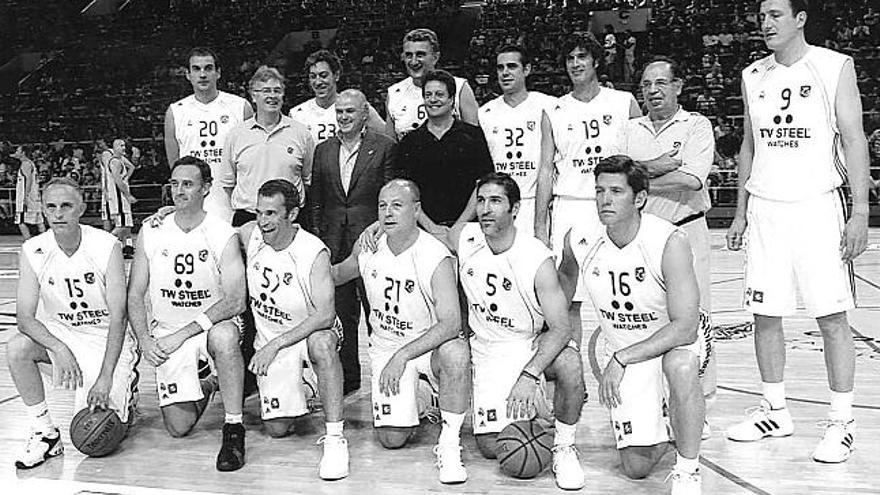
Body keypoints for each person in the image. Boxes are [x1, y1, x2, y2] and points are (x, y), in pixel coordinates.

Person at [725, 0, 870, 463]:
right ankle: (775, 409)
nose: (765, 23)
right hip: (767, 209)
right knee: (765, 314)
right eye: (762, 16)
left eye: (775, 15)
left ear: (800, 18)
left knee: (830, 316)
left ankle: (842, 420)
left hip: (816, 207)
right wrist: (741, 210)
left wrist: (861, 211)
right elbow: (750, 144)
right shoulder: (753, 75)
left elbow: (854, 139)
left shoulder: (834, 66)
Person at [558, 156, 704, 494]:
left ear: (639, 198)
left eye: (615, 191)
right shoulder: (579, 238)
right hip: (623, 347)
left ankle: (687, 469)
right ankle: (668, 419)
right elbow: (562, 291)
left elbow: (685, 327)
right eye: (599, 191)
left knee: (681, 366)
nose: (604, 200)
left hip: (673, 342)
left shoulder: (669, 240)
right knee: (636, 468)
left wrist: (623, 359)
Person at [440, 172, 586, 490]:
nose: (486, 209)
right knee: (494, 448)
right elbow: (428, 232)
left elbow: (562, 329)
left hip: (525, 346)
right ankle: (456, 441)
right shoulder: (466, 238)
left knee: (571, 362)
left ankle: (564, 445)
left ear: (515, 209)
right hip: (484, 347)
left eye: (495, 201)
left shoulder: (536, 257)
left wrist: (530, 374)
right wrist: (375, 227)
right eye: (481, 201)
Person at [332, 179, 471, 484]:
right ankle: (423, 397)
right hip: (387, 346)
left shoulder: (434, 255)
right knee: (391, 439)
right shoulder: (368, 247)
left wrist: (404, 355)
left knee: (456, 351)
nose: (388, 213)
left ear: (416, 210)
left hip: (428, 347)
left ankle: (449, 443)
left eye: (397, 205)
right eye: (382, 206)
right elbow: (338, 273)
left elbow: (451, 324)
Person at [128, 156, 248, 471]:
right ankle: (210, 383)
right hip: (167, 331)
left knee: (225, 336)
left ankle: (233, 427)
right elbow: (134, 293)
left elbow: (236, 302)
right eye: (175, 183)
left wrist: (183, 334)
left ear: (206, 189)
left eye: (189, 184)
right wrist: (144, 339)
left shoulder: (221, 233)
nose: (179, 191)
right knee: (178, 427)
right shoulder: (151, 230)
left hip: (209, 328)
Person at [9, 178, 138, 469]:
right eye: (51, 207)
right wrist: (59, 348)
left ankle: (127, 390)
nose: (58, 214)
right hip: (63, 335)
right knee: (18, 347)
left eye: (66, 206)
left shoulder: (107, 246)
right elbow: (24, 318)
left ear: (81, 208)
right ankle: (45, 432)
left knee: (101, 434)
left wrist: (105, 377)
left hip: (104, 337)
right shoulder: (33, 250)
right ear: (42, 210)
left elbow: (119, 316)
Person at [613, 56, 717, 403]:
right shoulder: (630, 129)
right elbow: (615, 178)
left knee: (695, 319)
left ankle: (698, 399)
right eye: (646, 85)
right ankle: (654, 401)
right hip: (645, 238)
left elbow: (691, 179)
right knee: (651, 319)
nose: (653, 91)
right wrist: (661, 165)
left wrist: (639, 178)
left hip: (687, 230)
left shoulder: (696, 125)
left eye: (660, 83)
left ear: (678, 86)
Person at [239, 179, 349, 480]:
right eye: (259, 213)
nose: (263, 221)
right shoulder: (250, 235)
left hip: (310, 332)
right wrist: (172, 212)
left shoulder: (313, 252)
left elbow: (326, 314)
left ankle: (335, 437)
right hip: (271, 338)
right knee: (276, 430)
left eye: (272, 214)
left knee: (322, 344)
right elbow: (208, 230)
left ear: (292, 214)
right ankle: (308, 386)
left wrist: (275, 345)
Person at [310, 89, 396, 395]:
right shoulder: (323, 150)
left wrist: (380, 229)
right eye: (340, 112)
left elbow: (390, 196)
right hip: (334, 241)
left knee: (378, 310)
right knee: (342, 312)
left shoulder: (384, 146)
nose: (344, 117)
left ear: (364, 114)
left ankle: (384, 379)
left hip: (373, 238)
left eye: (350, 111)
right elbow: (317, 199)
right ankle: (347, 379)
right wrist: (321, 239)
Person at [538, 33, 641, 255]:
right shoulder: (554, 111)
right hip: (571, 205)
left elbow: (640, 160)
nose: (575, 64)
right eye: (570, 58)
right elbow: (546, 170)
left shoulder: (624, 102)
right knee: (569, 285)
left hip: (617, 202)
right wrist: (540, 225)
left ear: (595, 61)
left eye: (582, 57)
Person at [164, 47, 254, 224]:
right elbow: (175, 166)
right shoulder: (176, 112)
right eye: (196, 69)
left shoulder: (240, 107)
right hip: (194, 206)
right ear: (188, 75)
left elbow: (251, 161)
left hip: (233, 207)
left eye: (208, 68)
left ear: (218, 73)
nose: (202, 74)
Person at [395, 70, 494, 227]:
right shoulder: (410, 142)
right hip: (424, 231)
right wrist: (432, 229)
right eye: (428, 95)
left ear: (452, 99)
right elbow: (405, 192)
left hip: (468, 227)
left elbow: (484, 184)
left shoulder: (472, 136)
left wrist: (459, 226)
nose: (433, 100)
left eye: (439, 94)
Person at [220, 66, 314, 228]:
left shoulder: (301, 133)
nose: (272, 96)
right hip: (248, 218)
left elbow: (307, 180)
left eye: (277, 91)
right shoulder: (236, 135)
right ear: (253, 95)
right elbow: (229, 184)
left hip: (289, 219)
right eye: (266, 91)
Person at [478, 45, 556, 238]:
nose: (505, 73)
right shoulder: (485, 113)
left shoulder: (549, 106)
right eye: (500, 68)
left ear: (526, 70)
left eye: (512, 66)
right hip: (498, 204)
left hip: (536, 202)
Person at [386, 28, 479, 141]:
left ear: (435, 57)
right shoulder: (394, 93)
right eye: (409, 55)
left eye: (420, 55)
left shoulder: (459, 87)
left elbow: (474, 137)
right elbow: (390, 146)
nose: (414, 62)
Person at [289, 49, 385, 145]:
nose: (318, 82)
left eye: (323, 75)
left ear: (336, 75)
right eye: (313, 76)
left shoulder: (358, 106)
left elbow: (386, 137)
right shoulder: (297, 114)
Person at [103, 139, 138, 258]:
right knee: (121, 226)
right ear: (114, 148)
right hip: (119, 198)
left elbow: (130, 170)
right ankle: (104, 247)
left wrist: (126, 178)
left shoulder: (120, 160)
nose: (123, 148)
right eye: (120, 146)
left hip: (121, 198)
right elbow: (118, 181)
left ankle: (125, 248)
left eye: (124, 145)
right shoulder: (115, 162)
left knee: (127, 225)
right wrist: (128, 195)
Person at [13, 145, 45, 239]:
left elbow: (29, 180)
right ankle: (46, 243)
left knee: (20, 221)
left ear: (23, 153)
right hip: (34, 197)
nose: (16, 151)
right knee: (39, 222)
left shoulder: (26, 164)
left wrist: (25, 197)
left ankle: (28, 243)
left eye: (18, 150)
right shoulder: (30, 163)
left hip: (28, 197)